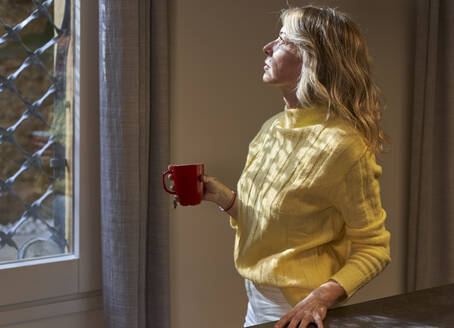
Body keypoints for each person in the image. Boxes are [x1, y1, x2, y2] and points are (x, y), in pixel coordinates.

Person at [172, 5, 391, 328]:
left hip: (298, 313)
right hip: (257, 304)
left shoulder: (343, 146)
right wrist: (226, 200)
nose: (268, 47)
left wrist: (320, 298)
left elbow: (374, 248)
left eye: (283, 39)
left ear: (312, 58)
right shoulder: (272, 129)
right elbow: (280, 228)